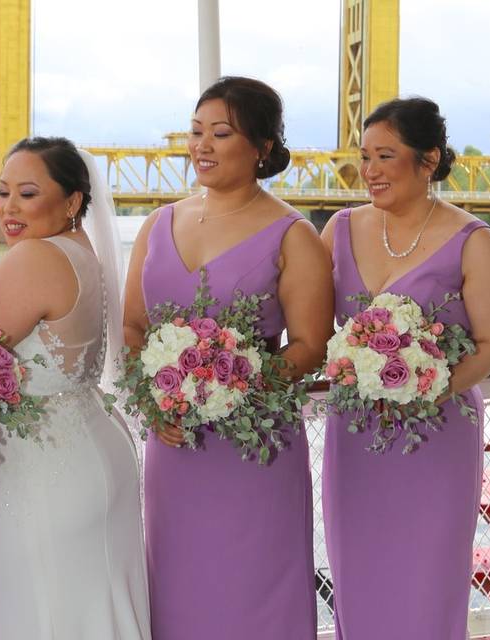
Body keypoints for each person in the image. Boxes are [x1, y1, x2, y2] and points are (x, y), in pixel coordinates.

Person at [122, 76, 334, 640]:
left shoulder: (293, 236)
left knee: (254, 587)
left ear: (262, 148)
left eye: (221, 133)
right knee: (178, 587)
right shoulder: (157, 223)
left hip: (253, 449)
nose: (202, 146)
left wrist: (233, 387)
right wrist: (156, 400)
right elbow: (134, 326)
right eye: (195, 133)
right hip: (173, 446)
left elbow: (311, 345)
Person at [319, 96, 490, 639]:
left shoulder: (476, 243)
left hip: (437, 436)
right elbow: (305, 326)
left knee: (429, 581)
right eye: (365, 157)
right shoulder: (338, 229)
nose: (370, 171)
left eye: (386, 156)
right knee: (358, 579)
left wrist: (427, 387)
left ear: (428, 160)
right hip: (355, 438)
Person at [0, 136, 151, 639]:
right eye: (2, 192)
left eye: (27, 193)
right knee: (89, 609)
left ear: (72, 202)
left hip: (42, 473)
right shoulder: (83, 253)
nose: (8, 208)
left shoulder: (36, 258)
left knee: (33, 613)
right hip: (93, 449)